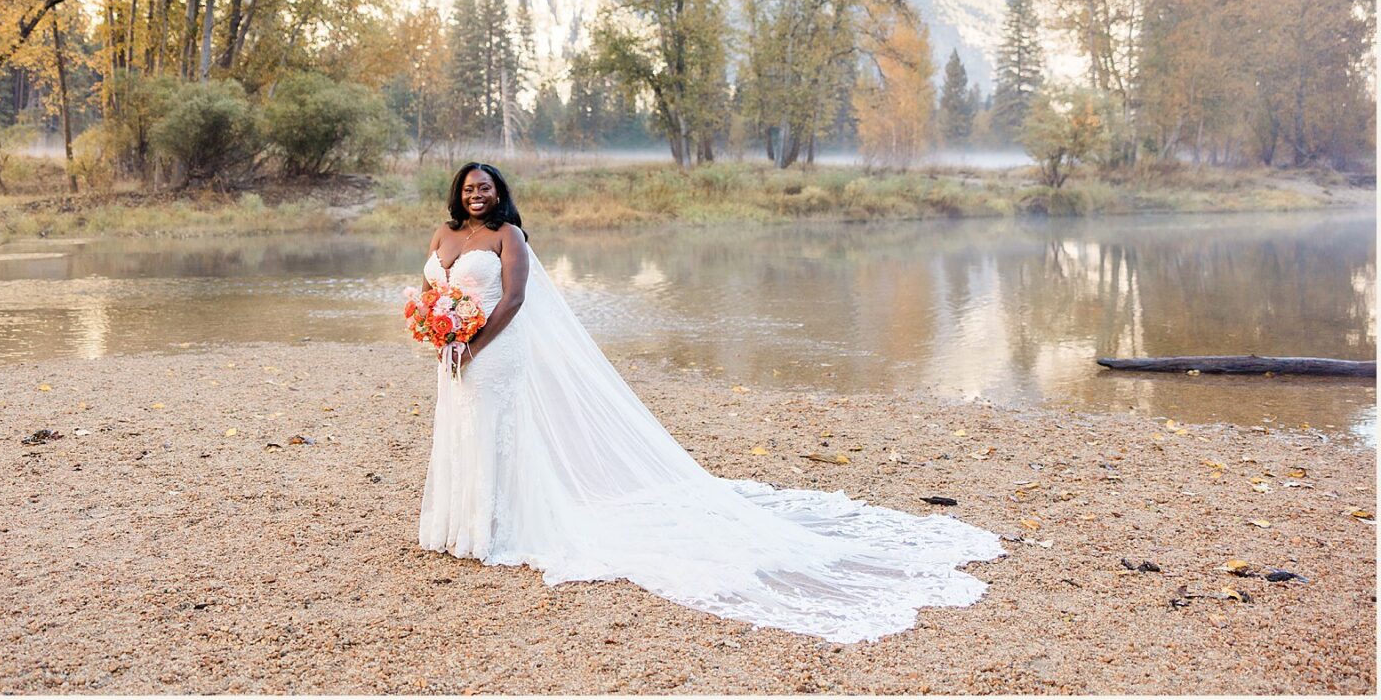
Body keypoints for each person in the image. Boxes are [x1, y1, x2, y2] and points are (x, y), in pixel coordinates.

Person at [417, 161, 1005, 646]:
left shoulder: (508, 236)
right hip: (455, 354)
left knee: (497, 429)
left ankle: (493, 530)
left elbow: (516, 299)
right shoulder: (443, 235)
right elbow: (430, 291)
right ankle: (455, 525)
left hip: (493, 349)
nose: (476, 195)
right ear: (457, 193)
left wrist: (474, 344)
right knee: (461, 430)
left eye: (485, 187)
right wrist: (436, 329)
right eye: (469, 188)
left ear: (499, 194)